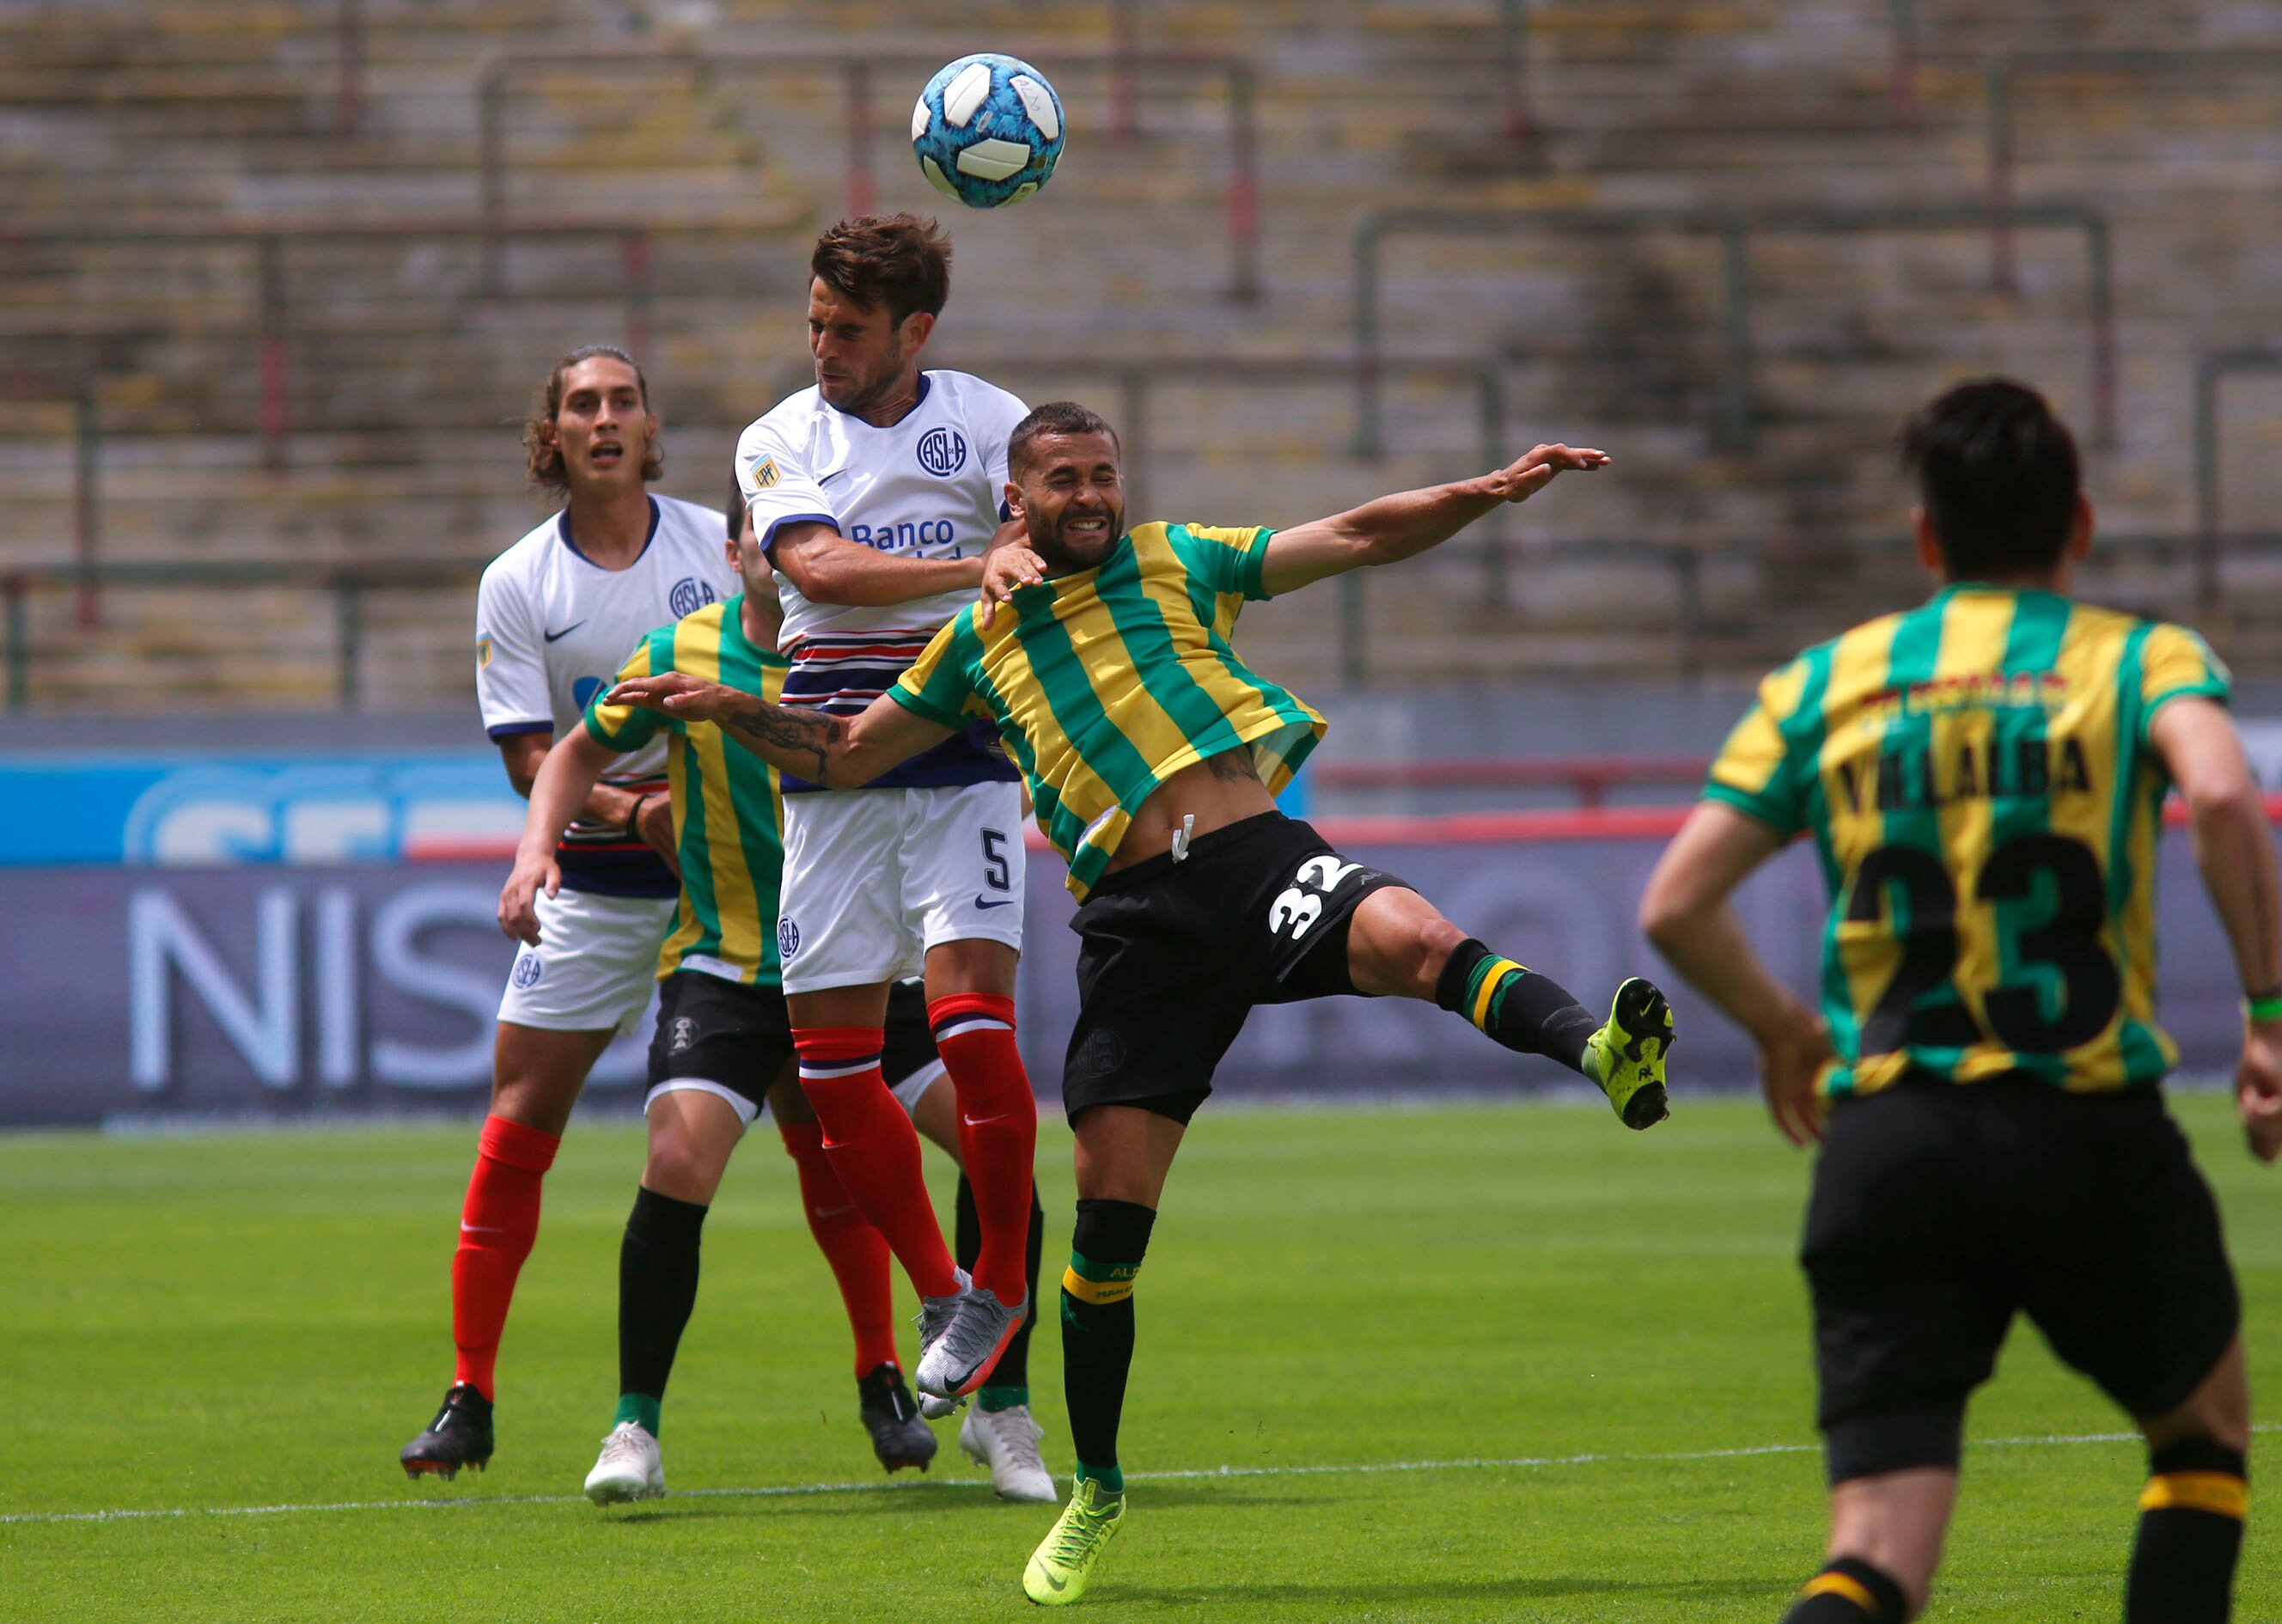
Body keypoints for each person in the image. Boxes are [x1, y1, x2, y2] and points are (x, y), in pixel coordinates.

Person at [605, 401, 1680, 1605]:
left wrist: (1484, 490)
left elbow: (1356, 534)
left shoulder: (1179, 557)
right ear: (1015, 503)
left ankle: (1599, 1050)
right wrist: (730, 710)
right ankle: (1097, 1490)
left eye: (1103, 474)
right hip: (1134, 925)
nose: (1090, 496)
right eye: (1064, 478)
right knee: (1108, 1233)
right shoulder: (975, 639)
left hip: (1254, 859)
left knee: (1419, 940)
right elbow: (848, 752)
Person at [1638, 378, 2282, 1624]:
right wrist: (2267, 1019)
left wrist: (1784, 1028)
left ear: (1925, 538)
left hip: (1889, 1143)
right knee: (2201, 1437)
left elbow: (1675, 903)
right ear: (2080, 524)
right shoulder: (2137, 658)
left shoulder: (1824, 683)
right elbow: (2220, 797)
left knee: (1875, 1552)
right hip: (2088, 1131)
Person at [497, 484, 1054, 1504]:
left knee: (994, 1151)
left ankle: (1001, 1408)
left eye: (805, 532)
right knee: (677, 1162)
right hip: (729, 970)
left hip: (869, 969)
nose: (780, 547)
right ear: (736, 549)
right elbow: (573, 751)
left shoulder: (877, 652)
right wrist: (539, 850)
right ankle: (634, 1428)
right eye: (765, 529)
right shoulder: (681, 651)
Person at [402, 345, 738, 1480]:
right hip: (592, 885)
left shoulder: (718, 548)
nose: (604, 419)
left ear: (650, 428)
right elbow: (528, 759)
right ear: (552, 435)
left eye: (623, 401)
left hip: (723, 884)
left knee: (814, 1118)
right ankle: (470, 1394)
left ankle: (879, 1373)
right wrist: (633, 809)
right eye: (582, 404)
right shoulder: (517, 581)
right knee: (516, 1122)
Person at [734, 213, 1046, 1415]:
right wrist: (971, 566)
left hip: (961, 752)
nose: (823, 347)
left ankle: (1001, 1279)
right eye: (815, 323)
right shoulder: (778, 437)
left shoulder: (991, 420)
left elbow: (1036, 544)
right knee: (831, 1074)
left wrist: (1006, 554)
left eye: (848, 329)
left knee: (973, 1034)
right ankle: (942, 1287)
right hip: (832, 770)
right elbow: (815, 570)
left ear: (914, 331)